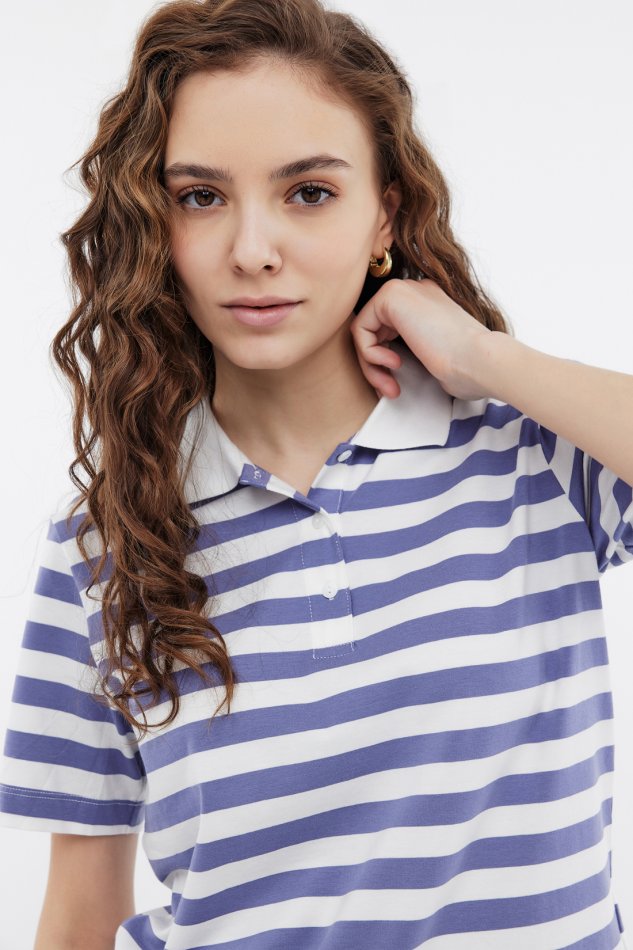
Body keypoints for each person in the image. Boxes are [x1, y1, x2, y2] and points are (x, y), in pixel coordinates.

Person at [0, 0, 631, 947]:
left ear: (385, 214)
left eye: (308, 192)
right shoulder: (103, 545)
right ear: (152, 225)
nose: (253, 251)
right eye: (200, 197)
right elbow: (80, 915)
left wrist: (481, 355)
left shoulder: (534, 456)